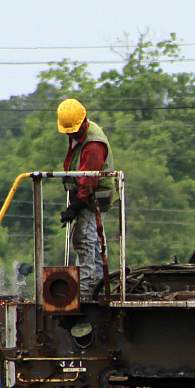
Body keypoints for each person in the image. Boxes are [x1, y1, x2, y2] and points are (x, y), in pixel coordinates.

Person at [57, 98, 117, 299]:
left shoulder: (93, 144)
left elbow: (89, 181)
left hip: (95, 198)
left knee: (84, 239)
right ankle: (99, 287)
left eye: (73, 130)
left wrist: (75, 206)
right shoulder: (78, 134)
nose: (71, 134)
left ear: (83, 121)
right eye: (68, 131)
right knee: (95, 243)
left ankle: (86, 291)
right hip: (87, 196)